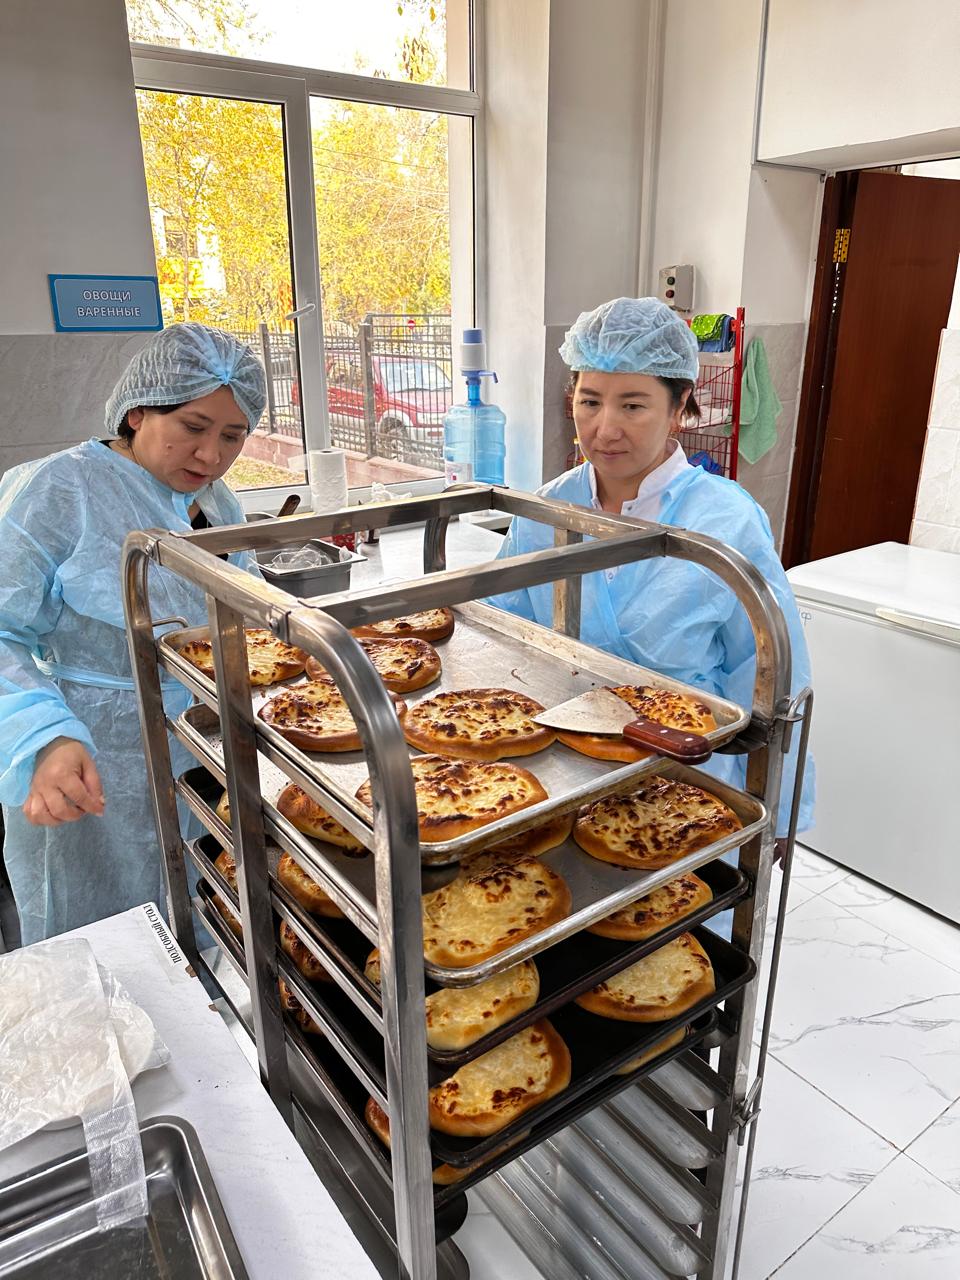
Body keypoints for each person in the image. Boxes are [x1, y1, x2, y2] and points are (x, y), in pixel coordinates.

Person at [488, 297, 814, 840]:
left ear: (679, 404)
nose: (604, 429)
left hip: (689, 784)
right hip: (564, 772)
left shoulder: (724, 523)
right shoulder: (549, 510)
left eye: (633, 406)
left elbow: (773, 675)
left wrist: (775, 816)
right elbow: (502, 631)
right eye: (590, 401)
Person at [0, 323, 266, 945]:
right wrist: (41, 736)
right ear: (138, 411)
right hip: (93, 761)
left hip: (200, 753)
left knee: (202, 927)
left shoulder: (214, 502)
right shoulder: (59, 491)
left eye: (233, 436)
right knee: (105, 942)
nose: (211, 456)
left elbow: (237, 611)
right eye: (193, 427)